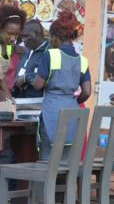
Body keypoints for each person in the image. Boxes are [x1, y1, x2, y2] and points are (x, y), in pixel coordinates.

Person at [30, 11, 91, 160]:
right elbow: (87, 92)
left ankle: (47, 184)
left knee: (47, 158)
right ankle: (67, 184)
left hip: (52, 110)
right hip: (72, 112)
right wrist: (73, 101)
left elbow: (38, 85)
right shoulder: (82, 60)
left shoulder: (50, 55)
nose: (50, 41)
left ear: (55, 37)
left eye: (50, 37)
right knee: (67, 160)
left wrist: (30, 77)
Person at [15, 19, 49, 98]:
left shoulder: (48, 51)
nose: (23, 40)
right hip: (21, 100)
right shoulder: (28, 50)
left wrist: (26, 77)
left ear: (37, 34)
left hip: (38, 103)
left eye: (26, 36)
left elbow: (48, 78)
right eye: (22, 37)